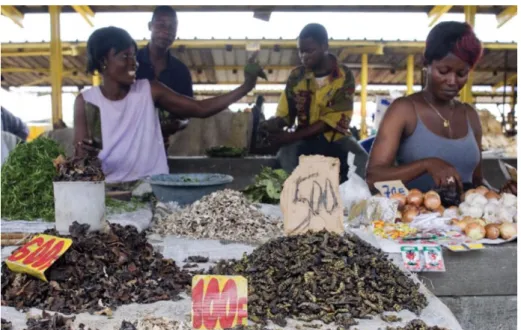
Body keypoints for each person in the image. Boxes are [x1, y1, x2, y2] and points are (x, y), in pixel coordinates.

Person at [74, 26, 262, 185]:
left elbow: (200, 109)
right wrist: (85, 154)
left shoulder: (149, 90)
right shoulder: (86, 101)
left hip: (153, 187)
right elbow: (81, 160)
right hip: (110, 191)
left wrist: (245, 87)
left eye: (134, 56)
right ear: (103, 61)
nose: (134, 63)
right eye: (125, 56)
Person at [365, 21, 516, 195]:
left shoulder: (470, 115)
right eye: (443, 71)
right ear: (426, 63)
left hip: (465, 220)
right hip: (416, 219)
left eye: (461, 74)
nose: (452, 81)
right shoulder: (404, 110)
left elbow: (476, 183)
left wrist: (501, 195)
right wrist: (426, 165)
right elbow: (373, 178)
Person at [260, 23, 368, 182]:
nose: (304, 56)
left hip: (337, 138)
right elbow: (286, 114)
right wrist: (272, 125)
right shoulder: (297, 76)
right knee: (283, 159)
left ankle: (356, 202)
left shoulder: (343, 75)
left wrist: (290, 137)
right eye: (300, 51)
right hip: (303, 139)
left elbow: (330, 122)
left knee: (362, 161)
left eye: (310, 51)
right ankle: (287, 200)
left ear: (324, 46)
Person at [136, 6, 193, 151]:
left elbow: (187, 114)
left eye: (172, 27)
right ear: (150, 26)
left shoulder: (181, 71)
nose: (166, 31)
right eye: (161, 25)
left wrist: (175, 126)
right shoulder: (131, 62)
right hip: (129, 146)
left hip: (162, 149)